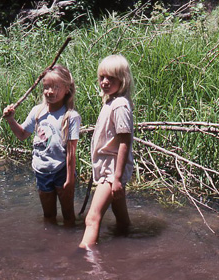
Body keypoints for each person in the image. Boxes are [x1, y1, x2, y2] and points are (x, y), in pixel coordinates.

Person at [3, 65, 81, 227]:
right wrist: (11, 120)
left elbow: (71, 152)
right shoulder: (37, 111)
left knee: (68, 216)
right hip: (42, 171)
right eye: (46, 87)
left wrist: (70, 179)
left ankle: (70, 248)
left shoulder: (70, 116)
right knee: (48, 216)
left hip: (61, 170)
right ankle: (50, 247)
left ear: (67, 89)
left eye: (55, 87)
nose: (50, 91)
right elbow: (22, 135)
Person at [79, 54, 134, 249]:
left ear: (123, 79)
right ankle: (126, 245)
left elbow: (124, 141)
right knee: (121, 218)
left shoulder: (119, 105)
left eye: (111, 78)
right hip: (109, 169)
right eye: (102, 77)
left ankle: (84, 256)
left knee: (92, 218)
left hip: (112, 171)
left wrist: (117, 178)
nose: (104, 82)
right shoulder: (111, 102)